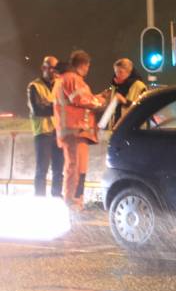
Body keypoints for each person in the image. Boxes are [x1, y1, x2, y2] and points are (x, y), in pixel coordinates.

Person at [53, 50, 105, 210]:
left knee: (79, 169)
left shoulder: (66, 79)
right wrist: (100, 101)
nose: (88, 69)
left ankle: (77, 201)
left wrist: (96, 98)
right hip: (74, 130)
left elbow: (79, 100)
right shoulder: (72, 78)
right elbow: (81, 99)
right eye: (88, 66)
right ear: (84, 65)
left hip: (75, 131)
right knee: (75, 168)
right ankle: (71, 203)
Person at [27, 55, 64, 197]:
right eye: (52, 68)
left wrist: (50, 105)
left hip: (58, 132)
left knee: (58, 171)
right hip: (43, 133)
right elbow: (38, 110)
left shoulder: (60, 85)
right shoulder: (34, 86)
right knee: (42, 170)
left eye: (56, 68)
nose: (54, 71)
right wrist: (57, 106)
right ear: (44, 68)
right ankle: (40, 202)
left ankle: (57, 199)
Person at [108, 57, 147, 128]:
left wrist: (124, 101)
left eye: (120, 72)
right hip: (117, 127)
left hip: (133, 128)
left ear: (129, 72)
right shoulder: (116, 86)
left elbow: (143, 109)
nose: (117, 75)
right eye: (116, 72)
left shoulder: (139, 86)